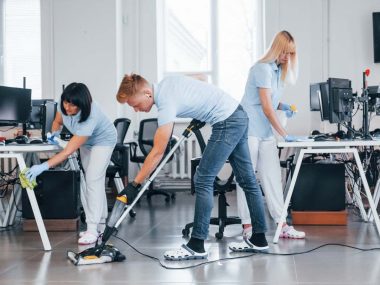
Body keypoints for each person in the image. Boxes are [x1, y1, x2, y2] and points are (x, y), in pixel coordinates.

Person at [116, 73, 268, 261]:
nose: (137, 110)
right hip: (238, 114)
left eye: (135, 104)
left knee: (203, 178)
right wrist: (202, 111)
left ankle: (197, 244)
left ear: (147, 93)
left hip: (227, 122)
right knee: (247, 180)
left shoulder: (165, 102)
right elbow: (201, 81)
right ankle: (260, 239)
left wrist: (134, 184)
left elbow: (157, 152)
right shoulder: (168, 82)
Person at [25, 83, 117, 245]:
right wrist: (54, 133)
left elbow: (68, 152)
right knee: (92, 181)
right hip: (87, 143)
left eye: (73, 104)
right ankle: (100, 225)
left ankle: (92, 229)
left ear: (83, 104)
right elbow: (57, 121)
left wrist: (43, 166)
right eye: (66, 102)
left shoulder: (90, 116)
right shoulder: (64, 108)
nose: (67, 107)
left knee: (93, 179)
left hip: (104, 141)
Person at [237, 30, 305, 240]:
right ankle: (247, 226)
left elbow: (271, 102)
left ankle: (282, 224)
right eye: (284, 52)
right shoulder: (262, 68)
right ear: (277, 48)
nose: (287, 57)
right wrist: (285, 134)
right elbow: (266, 107)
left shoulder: (278, 72)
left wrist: (284, 106)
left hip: (264, 130)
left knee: (273, 177)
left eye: (291, 53)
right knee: (247, 179)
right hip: (248, 130)